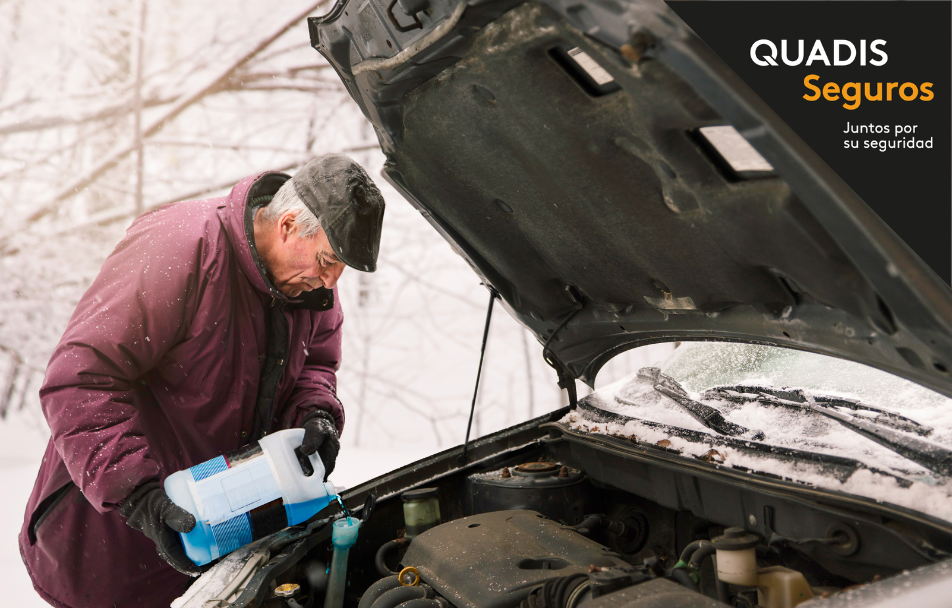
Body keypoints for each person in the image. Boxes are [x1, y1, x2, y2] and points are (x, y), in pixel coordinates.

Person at [18, 154, 385, 608]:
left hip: (218, 542)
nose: (331, 281)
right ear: (288, 225)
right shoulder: (179, 251)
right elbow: (79, 380)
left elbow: (316, 365)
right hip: (113, 538)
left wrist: (314, 413)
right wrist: (137, 495)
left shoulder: (311, 287)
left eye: (340, 268)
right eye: (327, 259)